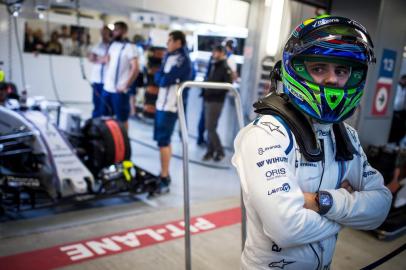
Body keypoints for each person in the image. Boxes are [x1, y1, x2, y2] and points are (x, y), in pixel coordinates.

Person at [232, 15, 392, 270]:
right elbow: (286, 229)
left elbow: (381, 206)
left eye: (341, 70)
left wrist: (321, 201)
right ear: (295, 69)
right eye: (319, 68)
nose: (332, 79)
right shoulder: (265, 135)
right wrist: (349, 212)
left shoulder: (346, 136)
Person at [153, 30, 192, 193]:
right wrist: (163, 78)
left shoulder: (184, 60)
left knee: (163, 141)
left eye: (169, 41)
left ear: (178, 42)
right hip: (160, 104)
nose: (167, 43)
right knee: (162, 141)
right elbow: (158, 77)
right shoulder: (168, 56)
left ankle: (164, 176)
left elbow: (165, 79)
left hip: (171, 106)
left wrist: (163, 78)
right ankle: (165, 173)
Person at [101, 21, 139, 129]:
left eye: (117, 30)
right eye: (114, 29)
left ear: (124, 32)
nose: (114, 32)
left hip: (120, 91)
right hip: (107, 88)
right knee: (105, 118)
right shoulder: (112, 45)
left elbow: (135, 68)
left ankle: (123, 142)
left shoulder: (130, 47)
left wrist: (125, 85)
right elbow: (107, 61)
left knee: (122, 120)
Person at [202, 45, 232, 162]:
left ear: (221, 53)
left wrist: (212, 91)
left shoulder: (225, 67)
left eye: (215, 52)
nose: (213, 54)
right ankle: (210, 151)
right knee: (209, 127)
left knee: (210, 127)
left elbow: (227, 85)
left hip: (216, 101)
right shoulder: (214, 64)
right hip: (208, 99)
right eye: (213, 51)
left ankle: (220, 151)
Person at [88, 26, 112, 118]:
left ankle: (104, 124)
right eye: (102, 32)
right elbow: (91, 58)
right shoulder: (97, 45)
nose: (103, 34)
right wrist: (100, 59)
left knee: (105, 104)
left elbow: (107, 60)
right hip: (96, 79)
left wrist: (98, 58)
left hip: (107, 81)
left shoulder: (112, 45)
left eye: (105, 32)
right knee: (96, 102)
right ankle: (95, 123)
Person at [128, 34, 147, 117]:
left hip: (137, 73)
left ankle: (132, 110)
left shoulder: (138, 49)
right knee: (132, 93)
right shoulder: (136, 49)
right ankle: (132, 111)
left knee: (133, 93)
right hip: (134, 73)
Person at [388, 74, 406, 144]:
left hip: (401, 111)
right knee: (392, 126)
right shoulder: (395, 86)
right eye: (404, 80)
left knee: (400, 128)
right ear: (401, 79)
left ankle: (397, 142)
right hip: (393, 110)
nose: (404, 82)